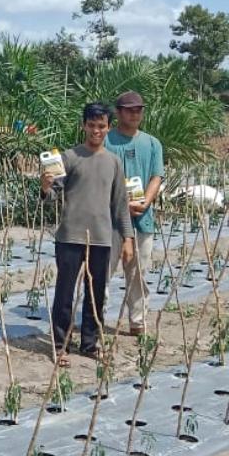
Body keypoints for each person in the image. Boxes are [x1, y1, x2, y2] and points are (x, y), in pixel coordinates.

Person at [41, 103, 134, 365]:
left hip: (102, 239)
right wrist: (45, 186)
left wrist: (127, 239)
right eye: (92, 125)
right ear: (84, 125)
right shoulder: (70, 157)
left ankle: (90, 344)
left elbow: (120, 205)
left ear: (108, 127)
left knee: (95, 293)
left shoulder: (114, 162)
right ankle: (60, 345)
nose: (96, 130)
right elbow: (51, 195)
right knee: (64, 293)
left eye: (101, 126)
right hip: (70, 236)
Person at [105, 91, 165, 336]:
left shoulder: (152, 143)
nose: (135, 113)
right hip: (109, 221)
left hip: (142, 219)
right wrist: (120, 204)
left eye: (139, 109)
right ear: (118, 112)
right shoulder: (106, 141)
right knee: (102, 272)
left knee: (138, 273)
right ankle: (96, 319)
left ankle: (138, 322)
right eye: (129, 109)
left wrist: (146, 202)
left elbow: (156, 176)